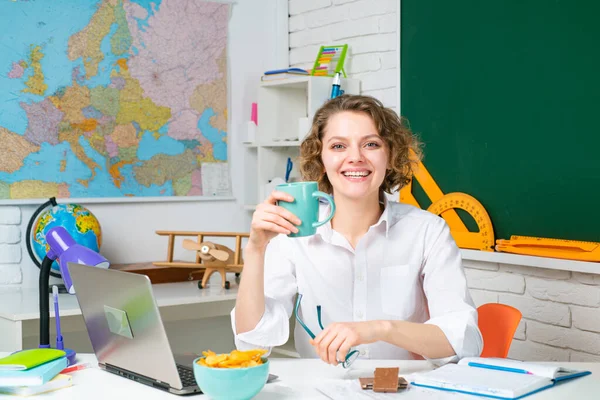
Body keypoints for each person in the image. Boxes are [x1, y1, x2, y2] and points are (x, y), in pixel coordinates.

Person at [231, 94, 482, 366]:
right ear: (321, 158)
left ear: (390, 155)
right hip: (321, 390)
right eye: (338, 146)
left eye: (370, 144)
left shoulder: (427, 231)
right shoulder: (294, 235)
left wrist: (379, 329)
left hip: (405, 390)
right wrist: (256, 249)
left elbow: (462, 340)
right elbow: (253, 343)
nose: (355, 158)